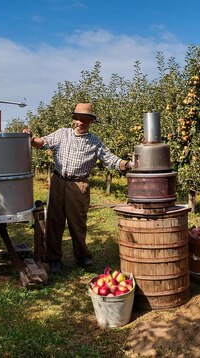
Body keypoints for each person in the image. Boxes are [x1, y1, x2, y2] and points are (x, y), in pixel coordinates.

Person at [24, 103, 133, 273]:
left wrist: (127, 164)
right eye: (78, 119)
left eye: (85, 120)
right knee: (54, 221)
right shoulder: (62, 134)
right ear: (73, 119)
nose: (81, 123)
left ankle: (82, 256)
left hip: (79, 184)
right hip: (59, 181)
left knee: (77, 222)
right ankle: (54, 258)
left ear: (90, 122)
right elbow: (43, 142)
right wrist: (31, 139)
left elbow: (110, 159)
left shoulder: (95, 142)